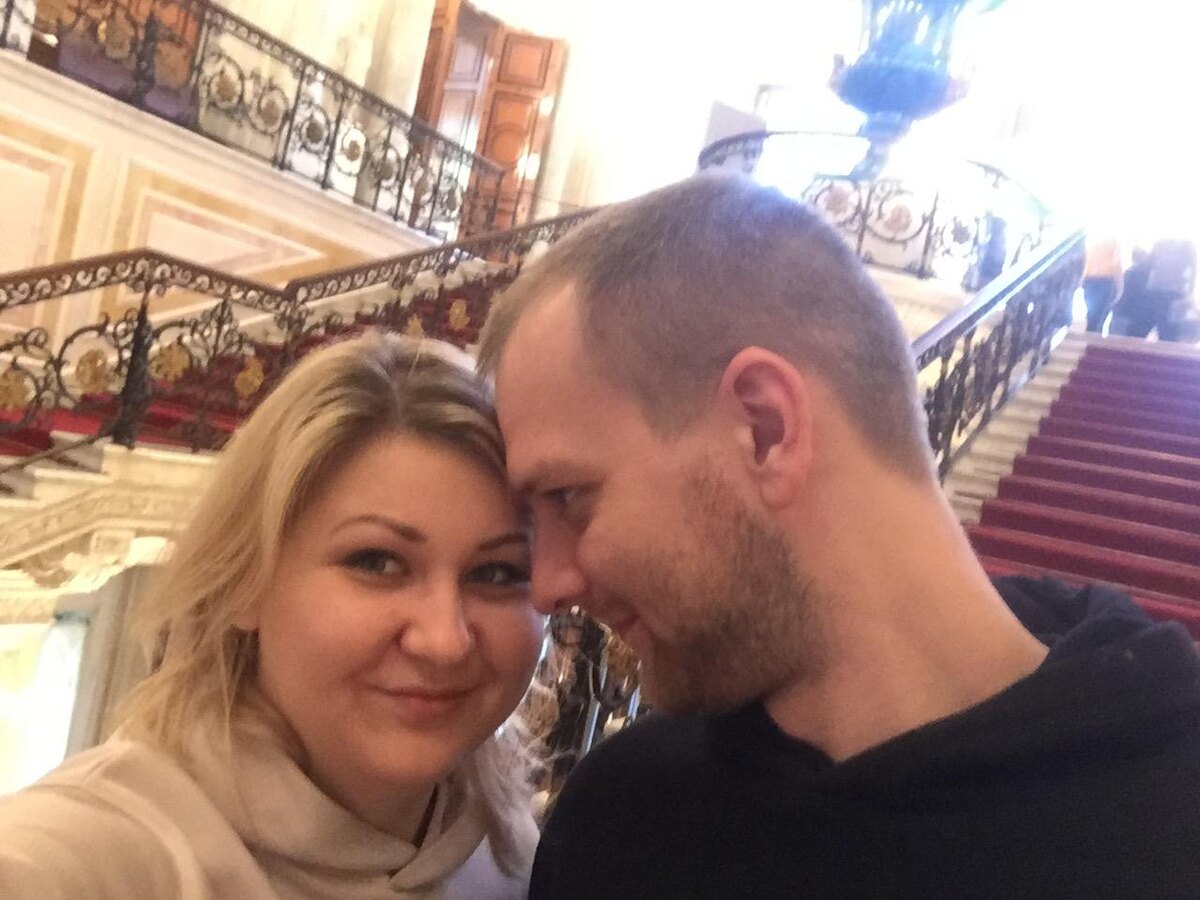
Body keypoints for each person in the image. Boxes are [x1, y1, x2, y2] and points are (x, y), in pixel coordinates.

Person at [477, 174, 1200, 899]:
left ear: (765, 429)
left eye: (568, 496)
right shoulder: (625, 815)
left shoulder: (1168, 819)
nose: (548, 585)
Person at [0, 333, 545, 899]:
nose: (445, 640)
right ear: (245, 581)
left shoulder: (509, 852)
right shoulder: (85, 859)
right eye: (376, 562)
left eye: (498, 572)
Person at [1081, 234, 1124, 332]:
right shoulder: (1114, 244)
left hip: (1089, 279)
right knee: (1100, 317)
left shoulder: (1093, 244)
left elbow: (1084, 262)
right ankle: (1093, 338)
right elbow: (1116, 265)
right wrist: (1120, 288)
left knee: (1092, 315)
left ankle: (1089, 335)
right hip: (1105, 281)